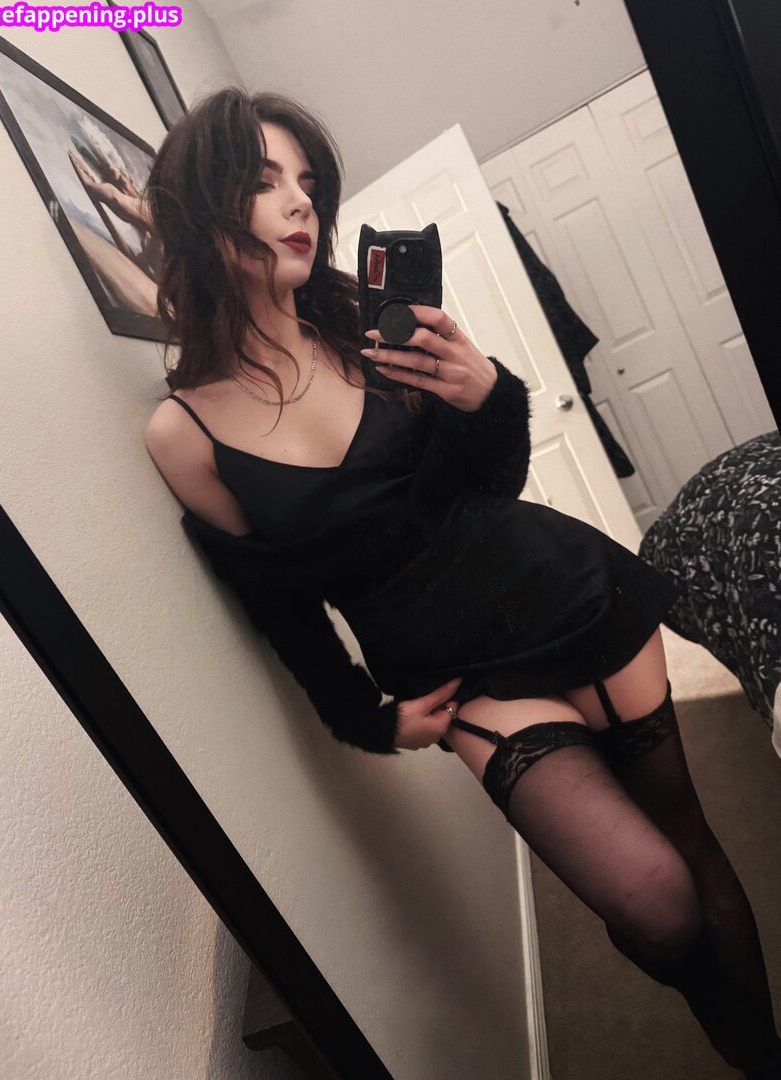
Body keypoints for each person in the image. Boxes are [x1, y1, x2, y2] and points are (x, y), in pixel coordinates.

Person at [142, 87, 781, 1078]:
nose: (302, 202)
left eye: (309, 182)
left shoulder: (369, 324)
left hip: (575, 596)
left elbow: (492, 482)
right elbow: (281, 607)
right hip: (469, 680)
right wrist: (366, 718)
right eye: (266, 181)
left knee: (689, 836)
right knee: (654, 901)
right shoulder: (183, 432)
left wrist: (489, 394)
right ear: (198, 203)